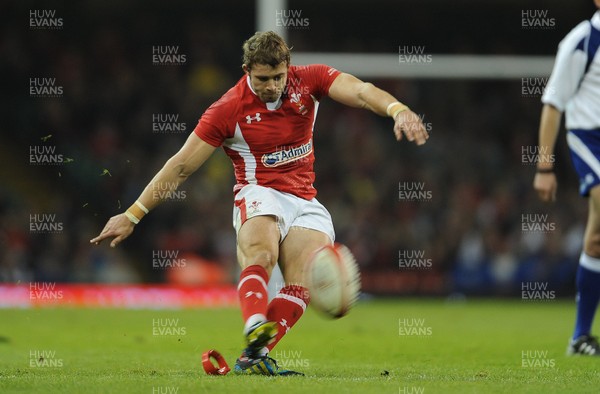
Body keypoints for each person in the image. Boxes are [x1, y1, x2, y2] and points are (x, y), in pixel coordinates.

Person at [90, 31, 428, 374]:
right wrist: (133, 214)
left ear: (288, 68)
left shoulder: (310, 80)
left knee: (300, 282)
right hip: (258, 192)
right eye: (263, 79)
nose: (271, 86)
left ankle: (253, 354)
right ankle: (254, 323)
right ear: (246, 70)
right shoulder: (228, 109)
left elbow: (359, 90)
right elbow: (180, 166)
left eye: (278, 77)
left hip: (305, 199)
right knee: (262, 255)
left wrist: (397, 109)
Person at [534, 1, 600, 356]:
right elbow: (553, 103)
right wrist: (545, 167)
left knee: (596, 240)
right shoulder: (581, 41)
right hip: (590, 137)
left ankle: (579, 337)